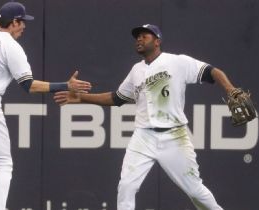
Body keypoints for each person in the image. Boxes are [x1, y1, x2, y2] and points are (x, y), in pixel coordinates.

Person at [54, 24, 234, 210]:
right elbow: (117, 98)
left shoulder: (177, 62)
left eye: (145, 36)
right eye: (137, 37)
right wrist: (81, 97)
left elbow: (212, 71)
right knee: (126, 187)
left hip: (174, 135)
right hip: (143, 137)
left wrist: (230, 90)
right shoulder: (136, 70)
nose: (139, 39)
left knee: (195, 191)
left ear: (157, 41)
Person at [0, 2, 91, 210]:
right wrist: (65, 86)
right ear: (13, 22)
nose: (24, 26)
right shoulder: (10, 45)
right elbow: (29, 85)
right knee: (4, 163)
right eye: (22, 22)